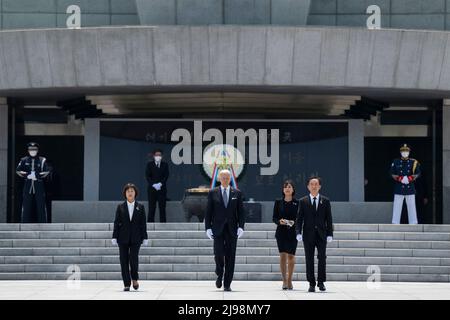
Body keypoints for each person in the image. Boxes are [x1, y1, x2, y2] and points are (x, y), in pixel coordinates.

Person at [205, 169, 245, 292]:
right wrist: (207, 228)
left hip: (232, 229)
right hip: (217, 228)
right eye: (223, 177)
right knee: (218, 253)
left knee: (230, 256)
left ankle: (227, 283)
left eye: (227, 178)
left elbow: (241, 212)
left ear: (230, 179)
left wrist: (241, 227)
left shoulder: (237, 193)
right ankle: (219, 271)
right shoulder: (213, 192)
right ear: (219, 179)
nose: (225, 180)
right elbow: (208, 211)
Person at [296, 176, 333, 292]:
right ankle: (311, 283)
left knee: (322, 258)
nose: (314, 186)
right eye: (312, 184)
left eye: (316, 184)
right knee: (309, 259)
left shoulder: (325, 201)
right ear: (308, 187)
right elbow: (299, 218)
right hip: (308, 234)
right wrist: (298, 232)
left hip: (321, 234)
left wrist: (330, 233)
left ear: (320, 186)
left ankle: (321, 282)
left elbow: (329, 218)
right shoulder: (303, 201)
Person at [112, 183, 148, 291]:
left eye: (132, 191)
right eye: (128, 191)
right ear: (125, 194)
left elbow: (143, 223)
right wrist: (114, 236)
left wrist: (145, 237)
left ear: (135, 193)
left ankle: (135, 279)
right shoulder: (120, 207)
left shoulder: (140, 207)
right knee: (123, 261)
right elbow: (116, 222)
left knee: (133, 260)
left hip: (136, 238)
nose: (130, 193)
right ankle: (126, 283)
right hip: (122, 238)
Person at [272, 180, 299, 290]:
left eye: (289, 187)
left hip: (293, 233)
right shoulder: (278, 202)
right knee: (282, 256)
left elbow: (300, 218)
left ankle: (289, 280)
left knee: (291, 256)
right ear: (283, 190)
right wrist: (279, 221)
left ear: (293, 190)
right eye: (285, 187)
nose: (287, 189)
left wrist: (294, 222)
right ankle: (284, 281)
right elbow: (274, 218)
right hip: (281, 232)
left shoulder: (298, 202)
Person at [16, 142, 50, 223]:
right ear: (28, 150)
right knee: (26, 206)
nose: (33, 151)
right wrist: (27, 175)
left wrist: (36, 175)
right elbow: (18, 171)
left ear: (37, 150)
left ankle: (43, 224)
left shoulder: (42, 160)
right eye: (31, 150)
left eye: (34, 149)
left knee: (41, 205)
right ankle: (24, 224)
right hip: (27, 185)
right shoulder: (23, 160)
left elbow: (46, 172)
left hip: (39, 184)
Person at [390, 144, 421, 224]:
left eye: (406, 151)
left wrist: (409, 178)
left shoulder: (413, 162)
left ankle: (413, 222)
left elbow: (418, 173)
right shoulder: (395, 161)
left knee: (411, 206)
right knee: (397, 206)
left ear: (409, 152)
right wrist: (400, 179)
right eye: (403, 151)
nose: (405, 152)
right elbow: (391, 173)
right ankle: (395, 222)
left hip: (409, 187)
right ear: (400, 152)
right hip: (399, 187)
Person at [145, 149, 169, 222]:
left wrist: (160, 184)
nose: (158, 156)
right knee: (152, 207)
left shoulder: (165, 165)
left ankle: (163, 224)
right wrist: (153, 184)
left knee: (162, 207)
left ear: (162, 156)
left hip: (162, 189)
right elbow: (147, 176)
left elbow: (166, 176)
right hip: (152, 189)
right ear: (153, 156)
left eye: (159, 155)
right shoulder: (149, 164)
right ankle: (150, 223)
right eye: (156, 155)